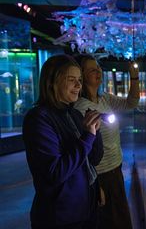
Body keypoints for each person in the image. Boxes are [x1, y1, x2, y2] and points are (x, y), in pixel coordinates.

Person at [22, 54, 104, 229]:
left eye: (79, 80)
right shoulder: (39, 118)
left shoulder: (74, 114)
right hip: (61, 218)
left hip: (87, 210)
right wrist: (88, 137)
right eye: (71, 79)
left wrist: (96, 131)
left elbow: (93, 159)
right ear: (52, 82)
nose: (78, 85)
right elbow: (55, 172)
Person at [74, 54, 139, 229]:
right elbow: (82, 150)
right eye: (92, 70)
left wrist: (134, 76)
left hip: (115, 168)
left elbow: (132, 102)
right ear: (82, 75)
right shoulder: (80, 107)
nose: (98, 72)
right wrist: (94, 185)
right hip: (101, 175)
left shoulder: (105, 99)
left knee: (121, 218)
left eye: (99, 68)